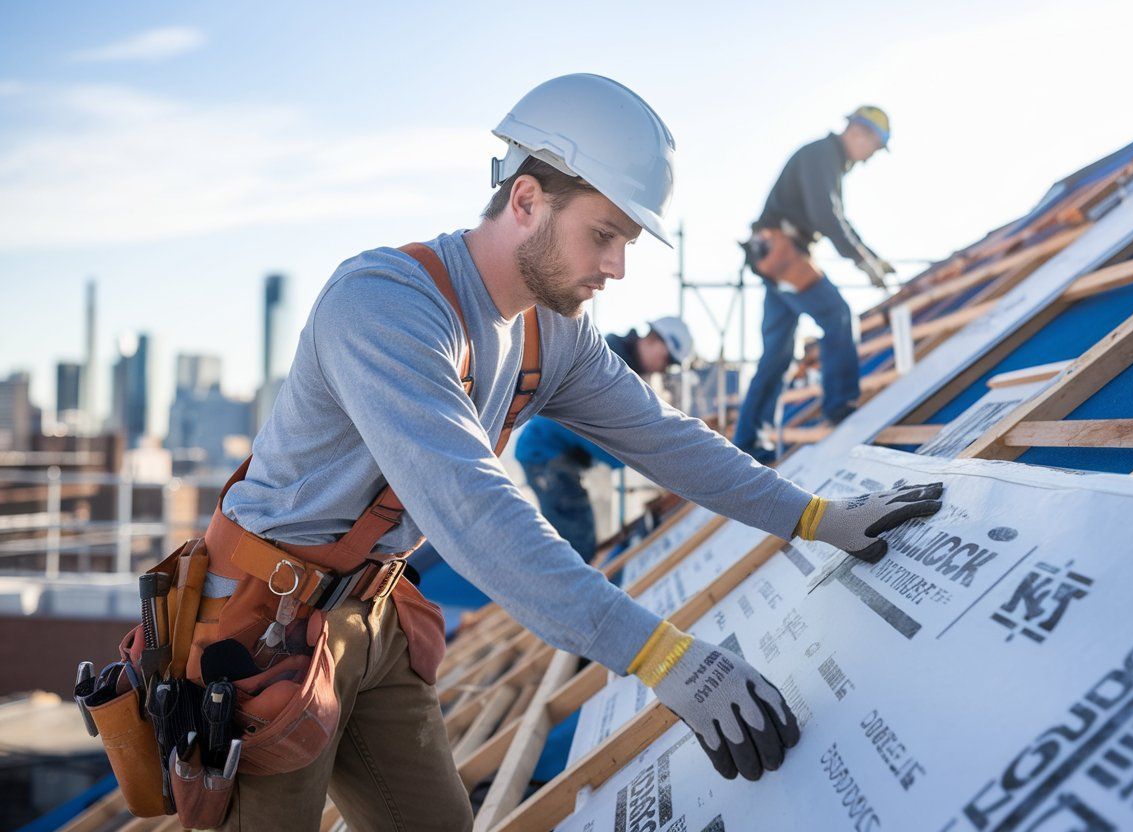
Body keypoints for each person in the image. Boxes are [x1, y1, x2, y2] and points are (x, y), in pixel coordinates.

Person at [200, 76, 942, 830]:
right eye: (605, 235)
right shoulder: (385, 304)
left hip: (372, 614)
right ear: (525, 201)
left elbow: (665, 438)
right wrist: (659, 655)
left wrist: (814, 517)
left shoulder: (547, 331)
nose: (618, 267)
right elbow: (469, 505)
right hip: (264, 630)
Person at [733, 106, 895, 462]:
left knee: (777, 354)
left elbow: (835, 216)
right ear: (858, 132)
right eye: (873, 147)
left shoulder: (825, 159)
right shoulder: (824, 155)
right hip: (783, 254)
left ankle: (747, 441)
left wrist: (870, 254)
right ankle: (839, 405)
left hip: (776, 254)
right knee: (837, 315)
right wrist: (862, 261)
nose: (869, 159)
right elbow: (827, 216)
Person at [516, 317, 693, 561]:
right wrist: (629, 456)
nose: (664, 369)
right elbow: (586, 425)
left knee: (574, 542)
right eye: (667, 360)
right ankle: (556, 596)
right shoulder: (609, 364)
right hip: (546, 453)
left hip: (553, 454)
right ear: (656, 342)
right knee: (576, 545)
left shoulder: (620, 364)